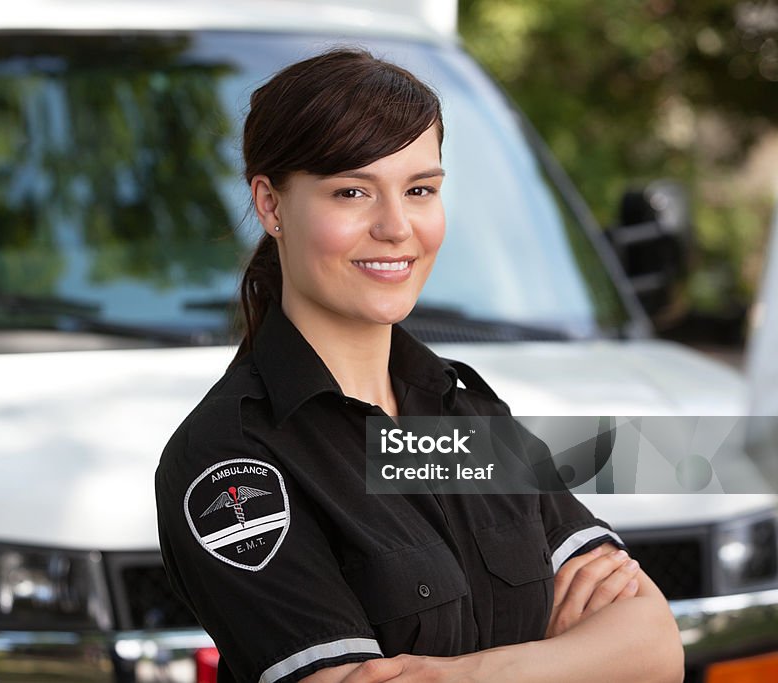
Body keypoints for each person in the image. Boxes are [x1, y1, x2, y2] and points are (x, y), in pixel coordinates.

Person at [155, 49, 683, 683]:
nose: (396, 227)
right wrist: (573, 661)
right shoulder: (231, 458)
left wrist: (448, 675)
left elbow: (654, 646)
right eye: (351, 191)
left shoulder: (459, 414)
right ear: (271, 205)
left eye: (420, 190)